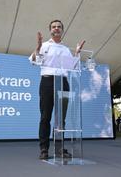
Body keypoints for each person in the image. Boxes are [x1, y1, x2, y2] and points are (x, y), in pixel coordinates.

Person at [29, 19, 85, 159]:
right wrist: (37, 47)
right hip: (47, 81)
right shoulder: (44, 45)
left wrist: (77, 54)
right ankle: (44, 149)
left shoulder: (66, 49)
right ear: (50, 30)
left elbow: (71, 67)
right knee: (45, 117)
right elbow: (34, 61)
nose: (56, 28)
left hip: (63, 82)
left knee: (61, 119)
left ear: (62, 30)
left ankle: (59, 149)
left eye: (59, 27)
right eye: (53, 27)